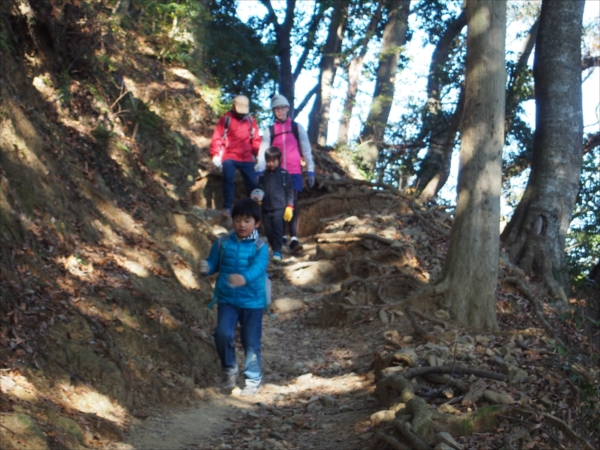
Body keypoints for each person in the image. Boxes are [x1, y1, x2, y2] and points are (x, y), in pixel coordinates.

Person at [198, 198, 268, 396]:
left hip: (253, 302)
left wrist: (243, 278)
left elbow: (258, 269)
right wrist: (206, 268)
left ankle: (253, 379)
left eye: (247, 221)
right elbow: (213, 263)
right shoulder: (222, 242)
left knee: (251, 341)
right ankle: (229, 370)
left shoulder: (260, 247)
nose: (241, 225)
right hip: (227, 300)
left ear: (257, 223)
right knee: (222, 333)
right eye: (237, 220)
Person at [256, 94, 314, 252]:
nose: (279, 111)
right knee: (279, 205)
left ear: (288, 108)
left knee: (292, 203)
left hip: (294, 171)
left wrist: (310, 170)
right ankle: (280, 236)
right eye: (276, 109)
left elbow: (306, 149)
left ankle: (294, 238)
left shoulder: (296, 128)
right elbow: (263, 152)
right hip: (276, 172)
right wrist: (260, 170)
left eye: (282, 108)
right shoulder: (270, 131)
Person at [210, 95, 261, 217]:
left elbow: (256, 139)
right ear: (234, 106)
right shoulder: (226, 118)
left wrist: (257, 154)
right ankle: (228, 207)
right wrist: (215, 154)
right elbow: (217, 136)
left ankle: (254, 209)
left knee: (253, 183)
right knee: (228, 179)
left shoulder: (250, 120)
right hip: (230, 155)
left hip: (246, 157)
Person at [254, 146, 294, 263]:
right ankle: (274, 246)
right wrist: (257, 200)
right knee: (268, 231)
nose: (271, 164)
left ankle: (277, 251)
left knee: (277, 229)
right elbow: (259, 190)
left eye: (273, 161)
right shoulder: (262, 176)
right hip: (265, 208)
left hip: (279, 208)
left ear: (279, 160)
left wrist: (289, 206)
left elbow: (290, 191)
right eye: (268, 161)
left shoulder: (284, 174)